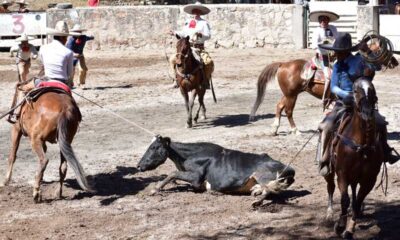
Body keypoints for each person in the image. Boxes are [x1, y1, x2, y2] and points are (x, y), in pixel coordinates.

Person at [317, 32, 400, 176]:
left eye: (339, 52)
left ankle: (386, 151)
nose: (337, 55)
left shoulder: (360, 60)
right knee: (326, 126)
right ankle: (324, 159)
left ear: (346, 51)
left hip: (363, 102)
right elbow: (334, 87)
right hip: (343, 103)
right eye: (336, 52)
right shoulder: (337, 66)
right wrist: (346, 94)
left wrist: (367, 50)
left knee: (380, 123)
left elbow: (377, 67)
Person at [18, 20, 79, 92]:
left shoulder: (43, 48)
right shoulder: (69, 52)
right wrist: (70, 83)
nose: (66, 40)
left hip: (46, 80)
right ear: (63, 38)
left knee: (23, 89)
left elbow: (43, 65)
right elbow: (69, 73)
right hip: (62, 82)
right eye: (66, 38)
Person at [168, 1, 214, 89]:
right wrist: (174, 32)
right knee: (172, 59)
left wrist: (202, 35)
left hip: (197, 48)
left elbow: (208, 36)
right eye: (195, 10)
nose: (196, 11)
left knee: (208, 62)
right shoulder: (188, 22)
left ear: (201, 12)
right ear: (193, 11)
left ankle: (205, 81)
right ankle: (176, 80)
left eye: (198, 10)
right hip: (186, 47)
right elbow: (183, 33)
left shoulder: (204, 23)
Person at [309, 11, 339, 105]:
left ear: (328, 20)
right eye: (321, 20)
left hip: (334, 55)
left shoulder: (333, 28)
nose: (323, 22)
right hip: (323, 56)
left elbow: (337, 40)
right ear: (319, 21)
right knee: (329, 77)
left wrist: (335, 50)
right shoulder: (317, 31)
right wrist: (322, 51)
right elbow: (314, 45)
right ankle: (325, 98)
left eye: (325, 20)